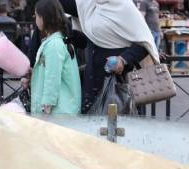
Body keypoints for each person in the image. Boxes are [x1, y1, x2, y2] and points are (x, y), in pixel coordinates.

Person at [26, 0, 159, 113]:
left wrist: (123, 60)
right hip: (93, 80)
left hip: (119, 82)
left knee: (121, 131)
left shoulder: (123, 6)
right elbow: (52, 11)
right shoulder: (86, 4)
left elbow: (144, 43)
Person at [28, 0, 81, 115]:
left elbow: (52, 77)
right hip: (61, 111)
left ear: (44, 18)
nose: (35, 18)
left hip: (57, 113)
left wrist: (46, 106)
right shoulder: (56, 41)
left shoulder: (54, 45)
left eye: (36, 15)